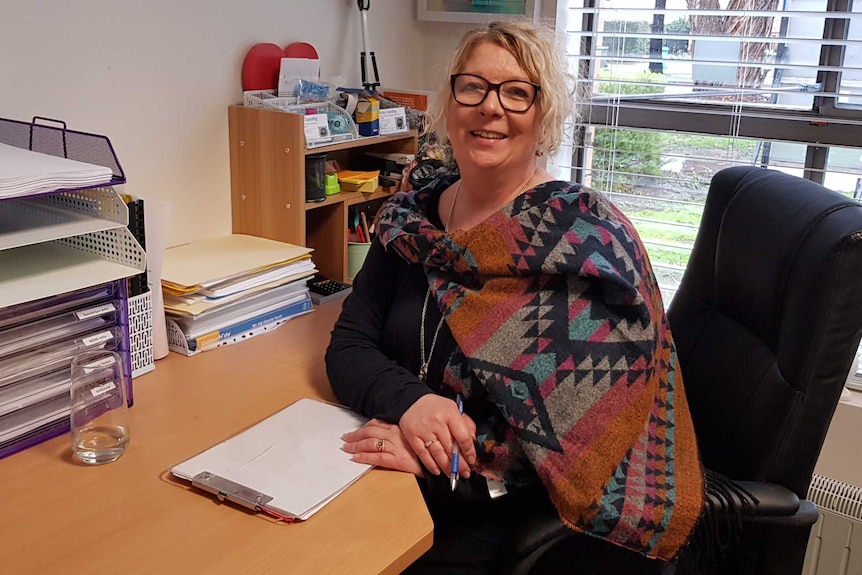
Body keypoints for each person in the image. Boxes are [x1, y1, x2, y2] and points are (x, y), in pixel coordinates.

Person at [327, 19, 704, 574]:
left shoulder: (583, 241)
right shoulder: (412, 223)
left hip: (500, 517)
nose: (490, 107)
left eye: (517, 92)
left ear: (543, 116)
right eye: (473, 86)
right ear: (450, 104)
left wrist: (446, 461)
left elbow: (585, 436)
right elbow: (349, 344)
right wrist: (412, 402)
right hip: (396, 476)